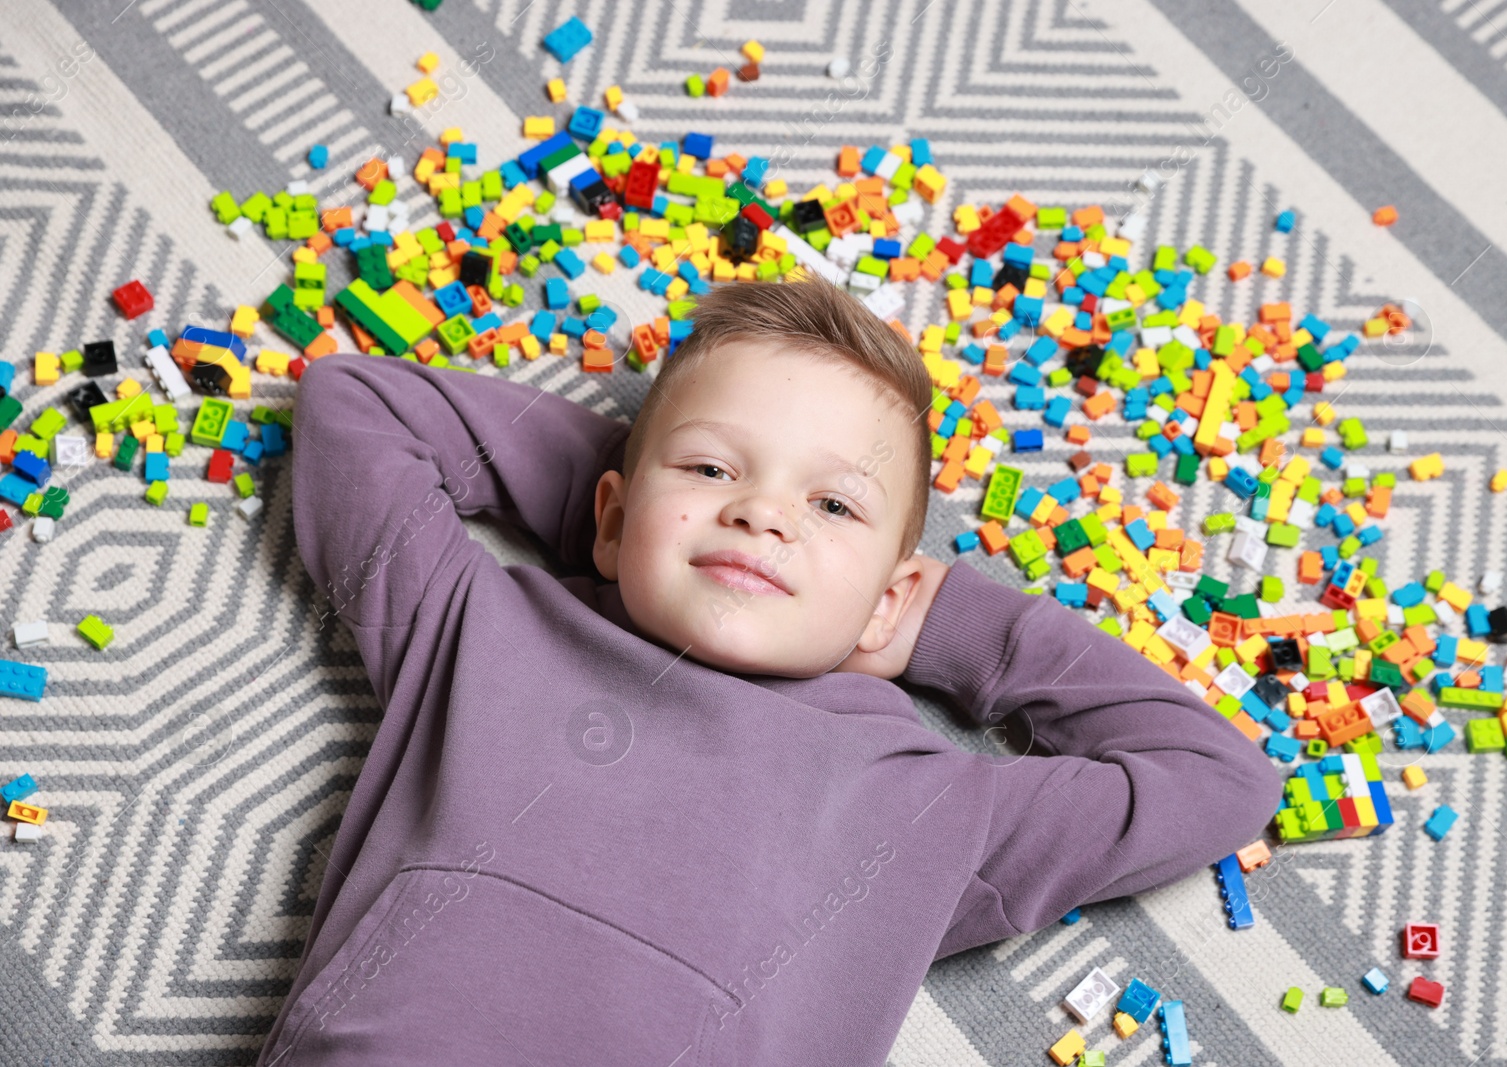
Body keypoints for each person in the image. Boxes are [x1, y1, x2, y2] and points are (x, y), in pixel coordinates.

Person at [260, 273, 1281, 1066]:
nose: (762, 512)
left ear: (890, 593)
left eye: (833, 506)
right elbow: (359, 404)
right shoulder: (479, 625)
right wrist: (621, 523)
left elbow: (1218, 778)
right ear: (609, 512)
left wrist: (945, 623)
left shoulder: (932, 805)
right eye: (712, 469)